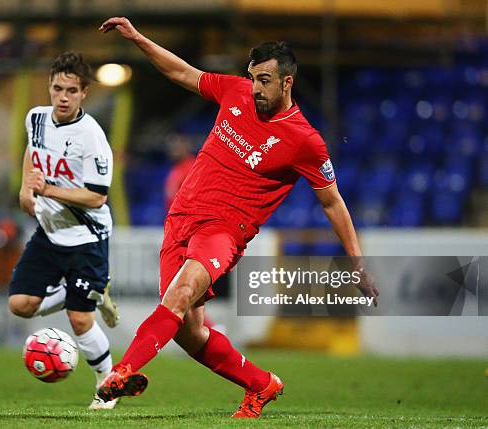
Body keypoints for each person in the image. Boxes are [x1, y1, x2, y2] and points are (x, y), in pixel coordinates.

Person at [96, 17, 379, 418]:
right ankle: (262, 384)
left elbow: (333, 203)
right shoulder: (235, 92)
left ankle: (122, 372)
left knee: (176, 297)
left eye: (265, 80)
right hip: (180, 220)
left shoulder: (304, 141)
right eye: (253, 78)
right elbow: (182, 71)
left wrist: (356, 261)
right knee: (189, 333)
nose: (256, 88)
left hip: (222, 231)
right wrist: (139, 39)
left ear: (287, 83)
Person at [7, 51, 120, 410]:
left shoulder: (92, 137)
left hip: (87, 236)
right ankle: (91, 292)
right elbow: (32, 150)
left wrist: (47, 190)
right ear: (50, 87)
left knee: (79, 318)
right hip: (50, 231)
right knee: (20, 305)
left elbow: (97, 197)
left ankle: (107, 384)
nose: (63, 97)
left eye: (71, 90)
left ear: (84, 92)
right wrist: (27, 187)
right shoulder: (36, 118)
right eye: (57, 88)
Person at [164, 134, 195, 210]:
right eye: (173, 145)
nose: (174, 148)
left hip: (185, 217)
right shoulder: (175, 168)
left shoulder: (193, 166)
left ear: (187, 146)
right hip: (173, 216)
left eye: (178, 145)